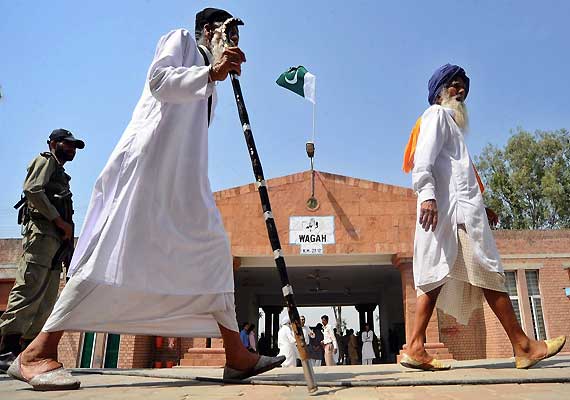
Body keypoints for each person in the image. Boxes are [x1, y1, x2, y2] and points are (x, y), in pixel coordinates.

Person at [7, 7, 284, 390]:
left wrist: (216, 76)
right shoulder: (182, 41)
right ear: (210, 30)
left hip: (186, 181)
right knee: (109, 252)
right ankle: (36, 352)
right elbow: (158, 81)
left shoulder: (211, 78)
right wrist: (212, 73)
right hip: (146, 167)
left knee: (214, 250)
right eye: (230, 32)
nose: (235, 41)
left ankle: (236, 354)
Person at [400, 63, 566, 371]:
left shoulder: (451, 126)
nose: (460, 91)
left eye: (464, 87)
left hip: (459, 212)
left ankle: (415, 346)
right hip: (454, 216)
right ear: (440, 91)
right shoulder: (436, 116)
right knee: (487, 273)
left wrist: (481, 205)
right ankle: (524, 345)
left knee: (436, 277)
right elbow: (423, 161)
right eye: (454, 85)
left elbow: (456, 176)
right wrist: (427, 197)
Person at [0, 129, 84, 372]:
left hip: (55, 242)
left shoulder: (60, 173)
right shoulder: (45, 161)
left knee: (46, 298)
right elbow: (32, 190)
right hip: (41, 238)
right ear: (52, 143)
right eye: (67, 144)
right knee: (28, 289)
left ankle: (27, 352)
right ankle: (6, 349)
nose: (71, 149)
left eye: (74, 146)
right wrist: (59, 221)